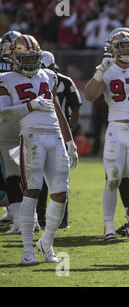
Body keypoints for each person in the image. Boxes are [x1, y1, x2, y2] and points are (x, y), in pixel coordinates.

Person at [0, 34, 78, 264]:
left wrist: (70, 141)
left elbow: (58, 109)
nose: (31, 63)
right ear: (14, 58)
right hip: (31, 137)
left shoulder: (49, 75)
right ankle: (27, 250)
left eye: (34, 58)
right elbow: (3, 113)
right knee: (32, 190)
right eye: (26, 59)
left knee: (61, 194)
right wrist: (30, 105)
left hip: (54, 138)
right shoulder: (6, 79)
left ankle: (46, 242)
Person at [85, 30, 129, 241]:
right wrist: (99, 73)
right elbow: (89, 95)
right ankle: (108, 227)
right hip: (115, 129)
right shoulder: (107, 69)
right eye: (122, 46)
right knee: (112, 179)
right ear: (113, 48)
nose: (126, 50)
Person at [36, 51, 82, 229]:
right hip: (39, 131)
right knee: (37, 178)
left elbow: (76, 107)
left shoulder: (64, 81)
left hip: (59, 132)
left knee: (61, 177)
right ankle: (39, 217)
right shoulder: (32, 79)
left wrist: (70, 128)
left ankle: (62, 219)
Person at [0, 30, 24, 233]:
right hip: (26, 120)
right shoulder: (25, 65)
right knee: (24, 172)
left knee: (12, 173)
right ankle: (23, 215)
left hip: (7, 122)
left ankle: (21, 218)